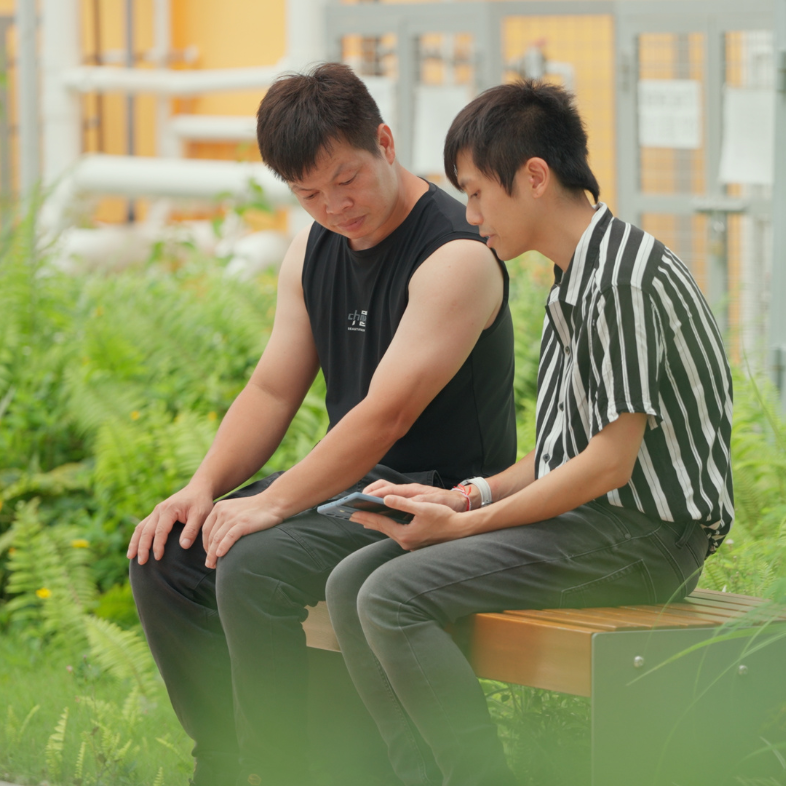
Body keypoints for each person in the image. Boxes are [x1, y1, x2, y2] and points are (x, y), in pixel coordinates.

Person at [325, 80, 734, 786]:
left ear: (535, 177)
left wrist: (462, 530)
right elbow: (559, 455)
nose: (470, 214)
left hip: (647, 540)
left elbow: (607, 465)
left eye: (477, 192)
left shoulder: (621, 283)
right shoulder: (576, 277)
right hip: (599, 526)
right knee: (350, 582)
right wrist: (466, 498)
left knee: (391, 597)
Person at [127, 63, 517, 786]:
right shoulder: (312, 248)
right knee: (167, 554)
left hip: (438, 498)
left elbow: (387, 414)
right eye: (309, 194)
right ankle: (225, 765)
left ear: (385, 144)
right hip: (354, 489)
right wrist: (202, 488)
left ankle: (275, 771)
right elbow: (272, 389)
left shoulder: (455, 254)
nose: (336, 206)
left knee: (253, 563)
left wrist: (272, 504)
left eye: (347, 179)